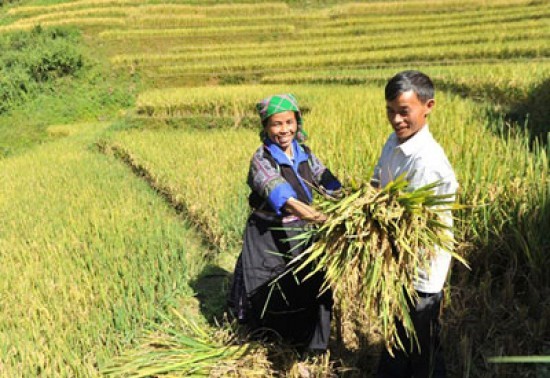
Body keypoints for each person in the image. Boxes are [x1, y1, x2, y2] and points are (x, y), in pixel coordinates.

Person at [228, 93, 341, 353]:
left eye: (289, 122)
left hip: (302, 233)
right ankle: (274, 349)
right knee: (272, 289)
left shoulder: (305, 154)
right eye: (276, 124)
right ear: (266, 127)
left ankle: (312, 347)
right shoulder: (262, 160)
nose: (284, 130)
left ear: (297, 122)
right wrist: (323, 218)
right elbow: (286, 199)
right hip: (269, 236)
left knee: (312, 286)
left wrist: (353, 203)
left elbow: (328, 183)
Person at [371, 70, 458, 378]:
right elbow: (377, 184)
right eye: (390, 111)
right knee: (397, 331)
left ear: (428, 106)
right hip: (396, 261)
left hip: (420, 264)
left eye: (404, 112)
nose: (396, 119)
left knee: (422, 339)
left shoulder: (427, 161)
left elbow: (409, 221)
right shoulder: (392, 143)